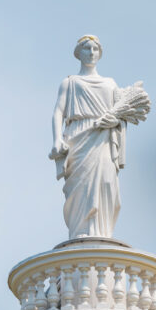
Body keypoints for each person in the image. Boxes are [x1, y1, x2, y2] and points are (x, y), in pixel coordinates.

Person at [50, 35, 126, 239]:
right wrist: (57, 139)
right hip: (78, 136)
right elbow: (58, 111)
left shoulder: (110, 84)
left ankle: (102, 232)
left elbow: (121, 116)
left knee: (107, 184)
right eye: (86, 49)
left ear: (100, 53)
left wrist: (115, 122)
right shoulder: (70, 82)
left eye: (95, 49)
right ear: (78, 53)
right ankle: (81, 230)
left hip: (103, 138)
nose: (91, 53)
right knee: (82, 187)